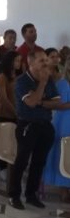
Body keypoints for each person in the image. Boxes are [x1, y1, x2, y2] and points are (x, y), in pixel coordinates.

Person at [8, 50, 60, 210]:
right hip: (27, 125)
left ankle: (31, 195)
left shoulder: (49, 79)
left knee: (39, 162)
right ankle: (14, 195)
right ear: (31, 63)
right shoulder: (23, 81)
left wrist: (41, 101)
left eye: (46, 60)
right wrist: (42, 86)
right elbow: (30, 103)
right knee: (21, 161)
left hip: (45, 125)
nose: (46, 63)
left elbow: (56, 102)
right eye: (41, 61)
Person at [43, 51, 70, 202]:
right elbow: (56, 104)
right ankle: (63, 187)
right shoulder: (61, 81)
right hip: (64, 120)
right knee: (63, 151)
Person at [0, 51, 21, 176]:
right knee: (4, 141)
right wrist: (15, 112)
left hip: (17, 113)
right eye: (17, 61)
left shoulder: (17, 76)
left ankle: (14, 167)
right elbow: (3, 99)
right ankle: (3, 169)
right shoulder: (2, 77)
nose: (19, 63)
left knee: (14, 142)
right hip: (5, 114)